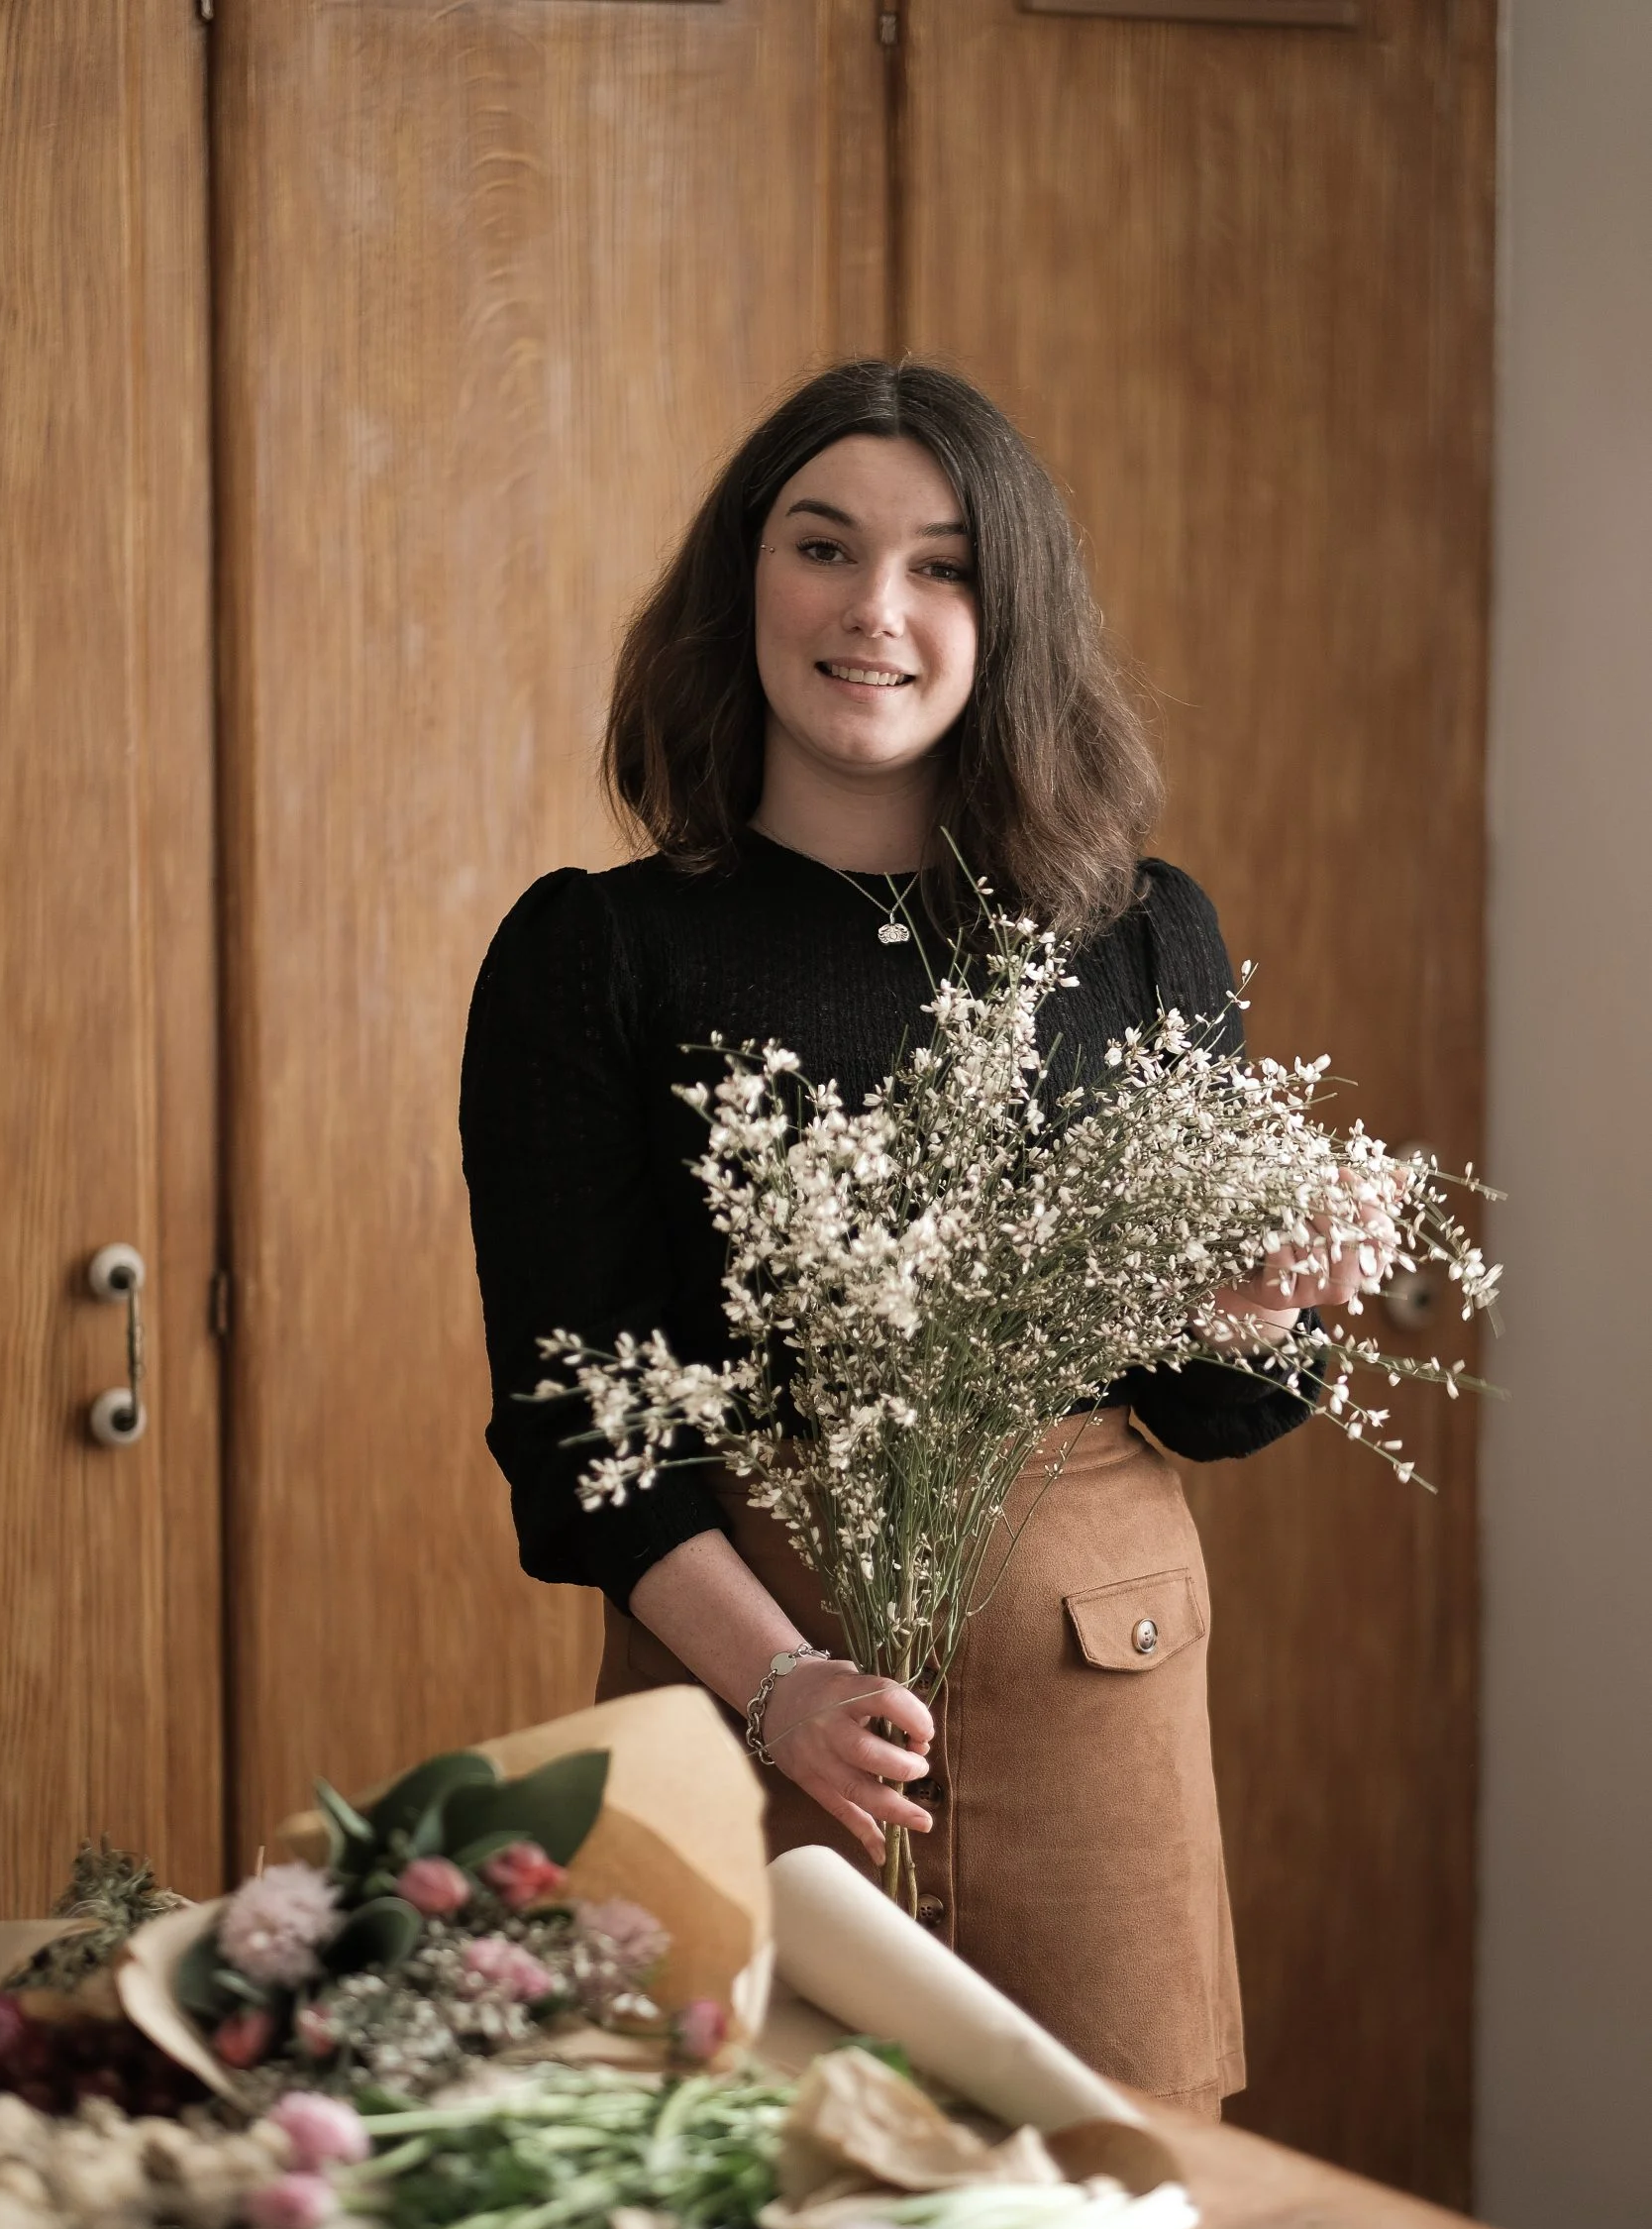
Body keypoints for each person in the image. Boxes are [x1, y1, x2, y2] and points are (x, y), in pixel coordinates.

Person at [461, 361, 1361, 2118]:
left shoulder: (1143, 936)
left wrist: (1256, 1307)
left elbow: (1214, 1409)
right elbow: (578, 1432)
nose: (877, 610)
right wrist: (781, 1682)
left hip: (1098, 1723)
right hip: (750, 1711)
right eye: (825, 548)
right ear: (745, 583)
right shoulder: (597, 956)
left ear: (1006, 613)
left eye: (944, 566)